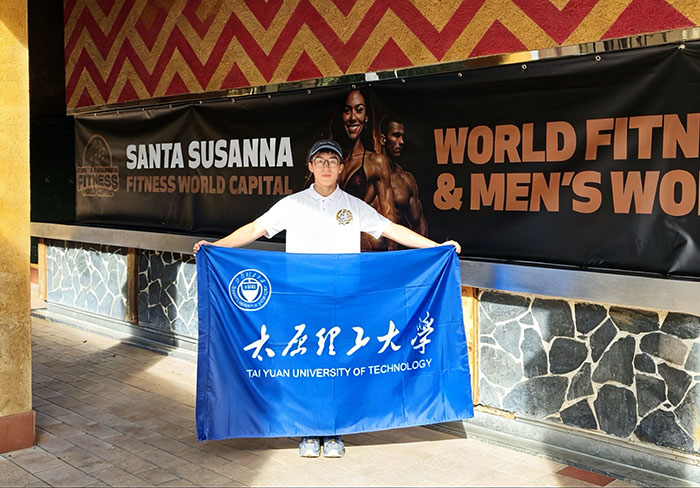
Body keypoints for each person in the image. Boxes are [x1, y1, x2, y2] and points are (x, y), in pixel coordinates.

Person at [193, 139, 460, 458]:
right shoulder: (292, 205)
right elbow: (255, 229)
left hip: (343, 299)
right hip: (302, 298)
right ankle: (308, 430)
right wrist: (215, 247)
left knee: (338, 366)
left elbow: (390, 229)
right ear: (310, 167)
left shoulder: (353, 206)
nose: (326, 166)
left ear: (341, 167)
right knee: (305, 365)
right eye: (319, 161)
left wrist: (436, 248)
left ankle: (334, 431)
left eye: (332, 161)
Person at [330, 89, 395, 250]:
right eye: (347, 111)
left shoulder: (375, 162)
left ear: (366, 117)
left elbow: (388, 215)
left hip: (361, 249)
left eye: (359, 110)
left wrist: (392, 257)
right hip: (331, 245)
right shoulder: (331, 162)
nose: (353, 117)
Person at [379, 115, 428, 236]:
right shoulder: (367, 175)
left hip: (397, 246)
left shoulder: (405, 180)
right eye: (396, 135)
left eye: (402, 136)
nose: (401, 142)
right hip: (368, 247)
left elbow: (418, 223)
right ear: (383, 139)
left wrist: (426, 248)